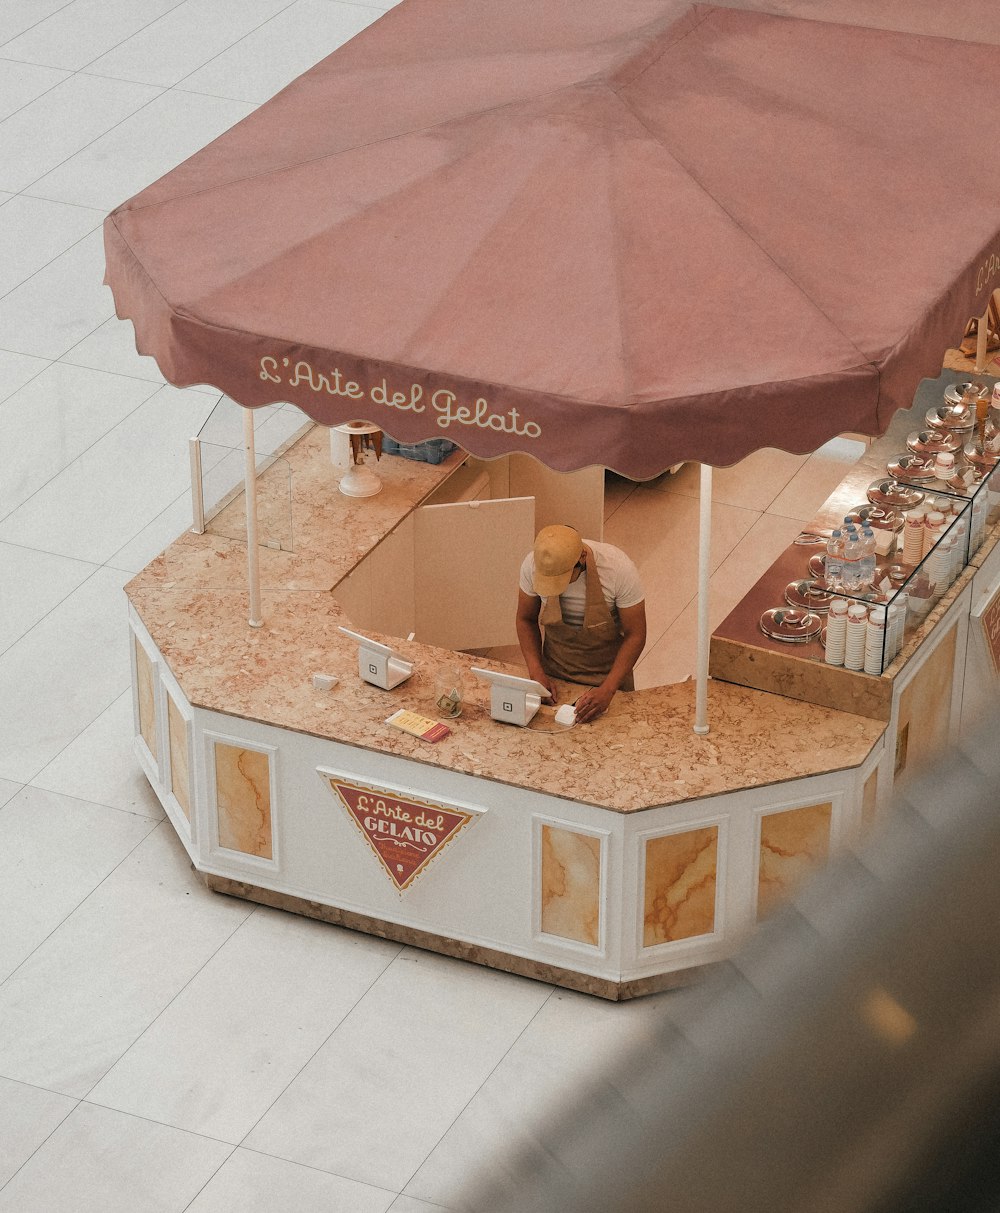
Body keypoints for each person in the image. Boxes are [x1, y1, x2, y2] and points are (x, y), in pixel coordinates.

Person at [515, 524, 646, 724]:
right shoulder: (532, 564)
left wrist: (608, 689)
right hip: (555, 673)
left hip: (608, 675)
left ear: (582, 558)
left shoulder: (618, 569)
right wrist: (536, 673)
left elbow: (635, 634)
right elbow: (525, 619)